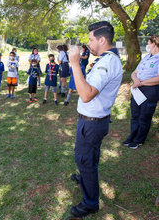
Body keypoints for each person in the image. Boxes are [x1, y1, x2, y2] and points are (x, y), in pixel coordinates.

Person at [69, 21, 122, 218]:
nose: (88, 43)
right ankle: (85, 177)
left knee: (84, 159)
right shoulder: (105, 59)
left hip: (92, 122)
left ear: (101, 39)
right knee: (88, 158)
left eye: (91, 39)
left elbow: (86, 94)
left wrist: (75, 63)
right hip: (93, 120)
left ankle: (90, 202)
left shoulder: (108, 61)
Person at [123, 35, 159, 149]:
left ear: (154, 43)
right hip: (138, 89)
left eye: (148, 43)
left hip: (150, 90)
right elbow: (134, 72)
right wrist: (136, 80)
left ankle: (139, 140)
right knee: (135, 115)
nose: (147, 45)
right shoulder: (146, 57)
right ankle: (132, 136)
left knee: (144, 117)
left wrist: (141, 82)